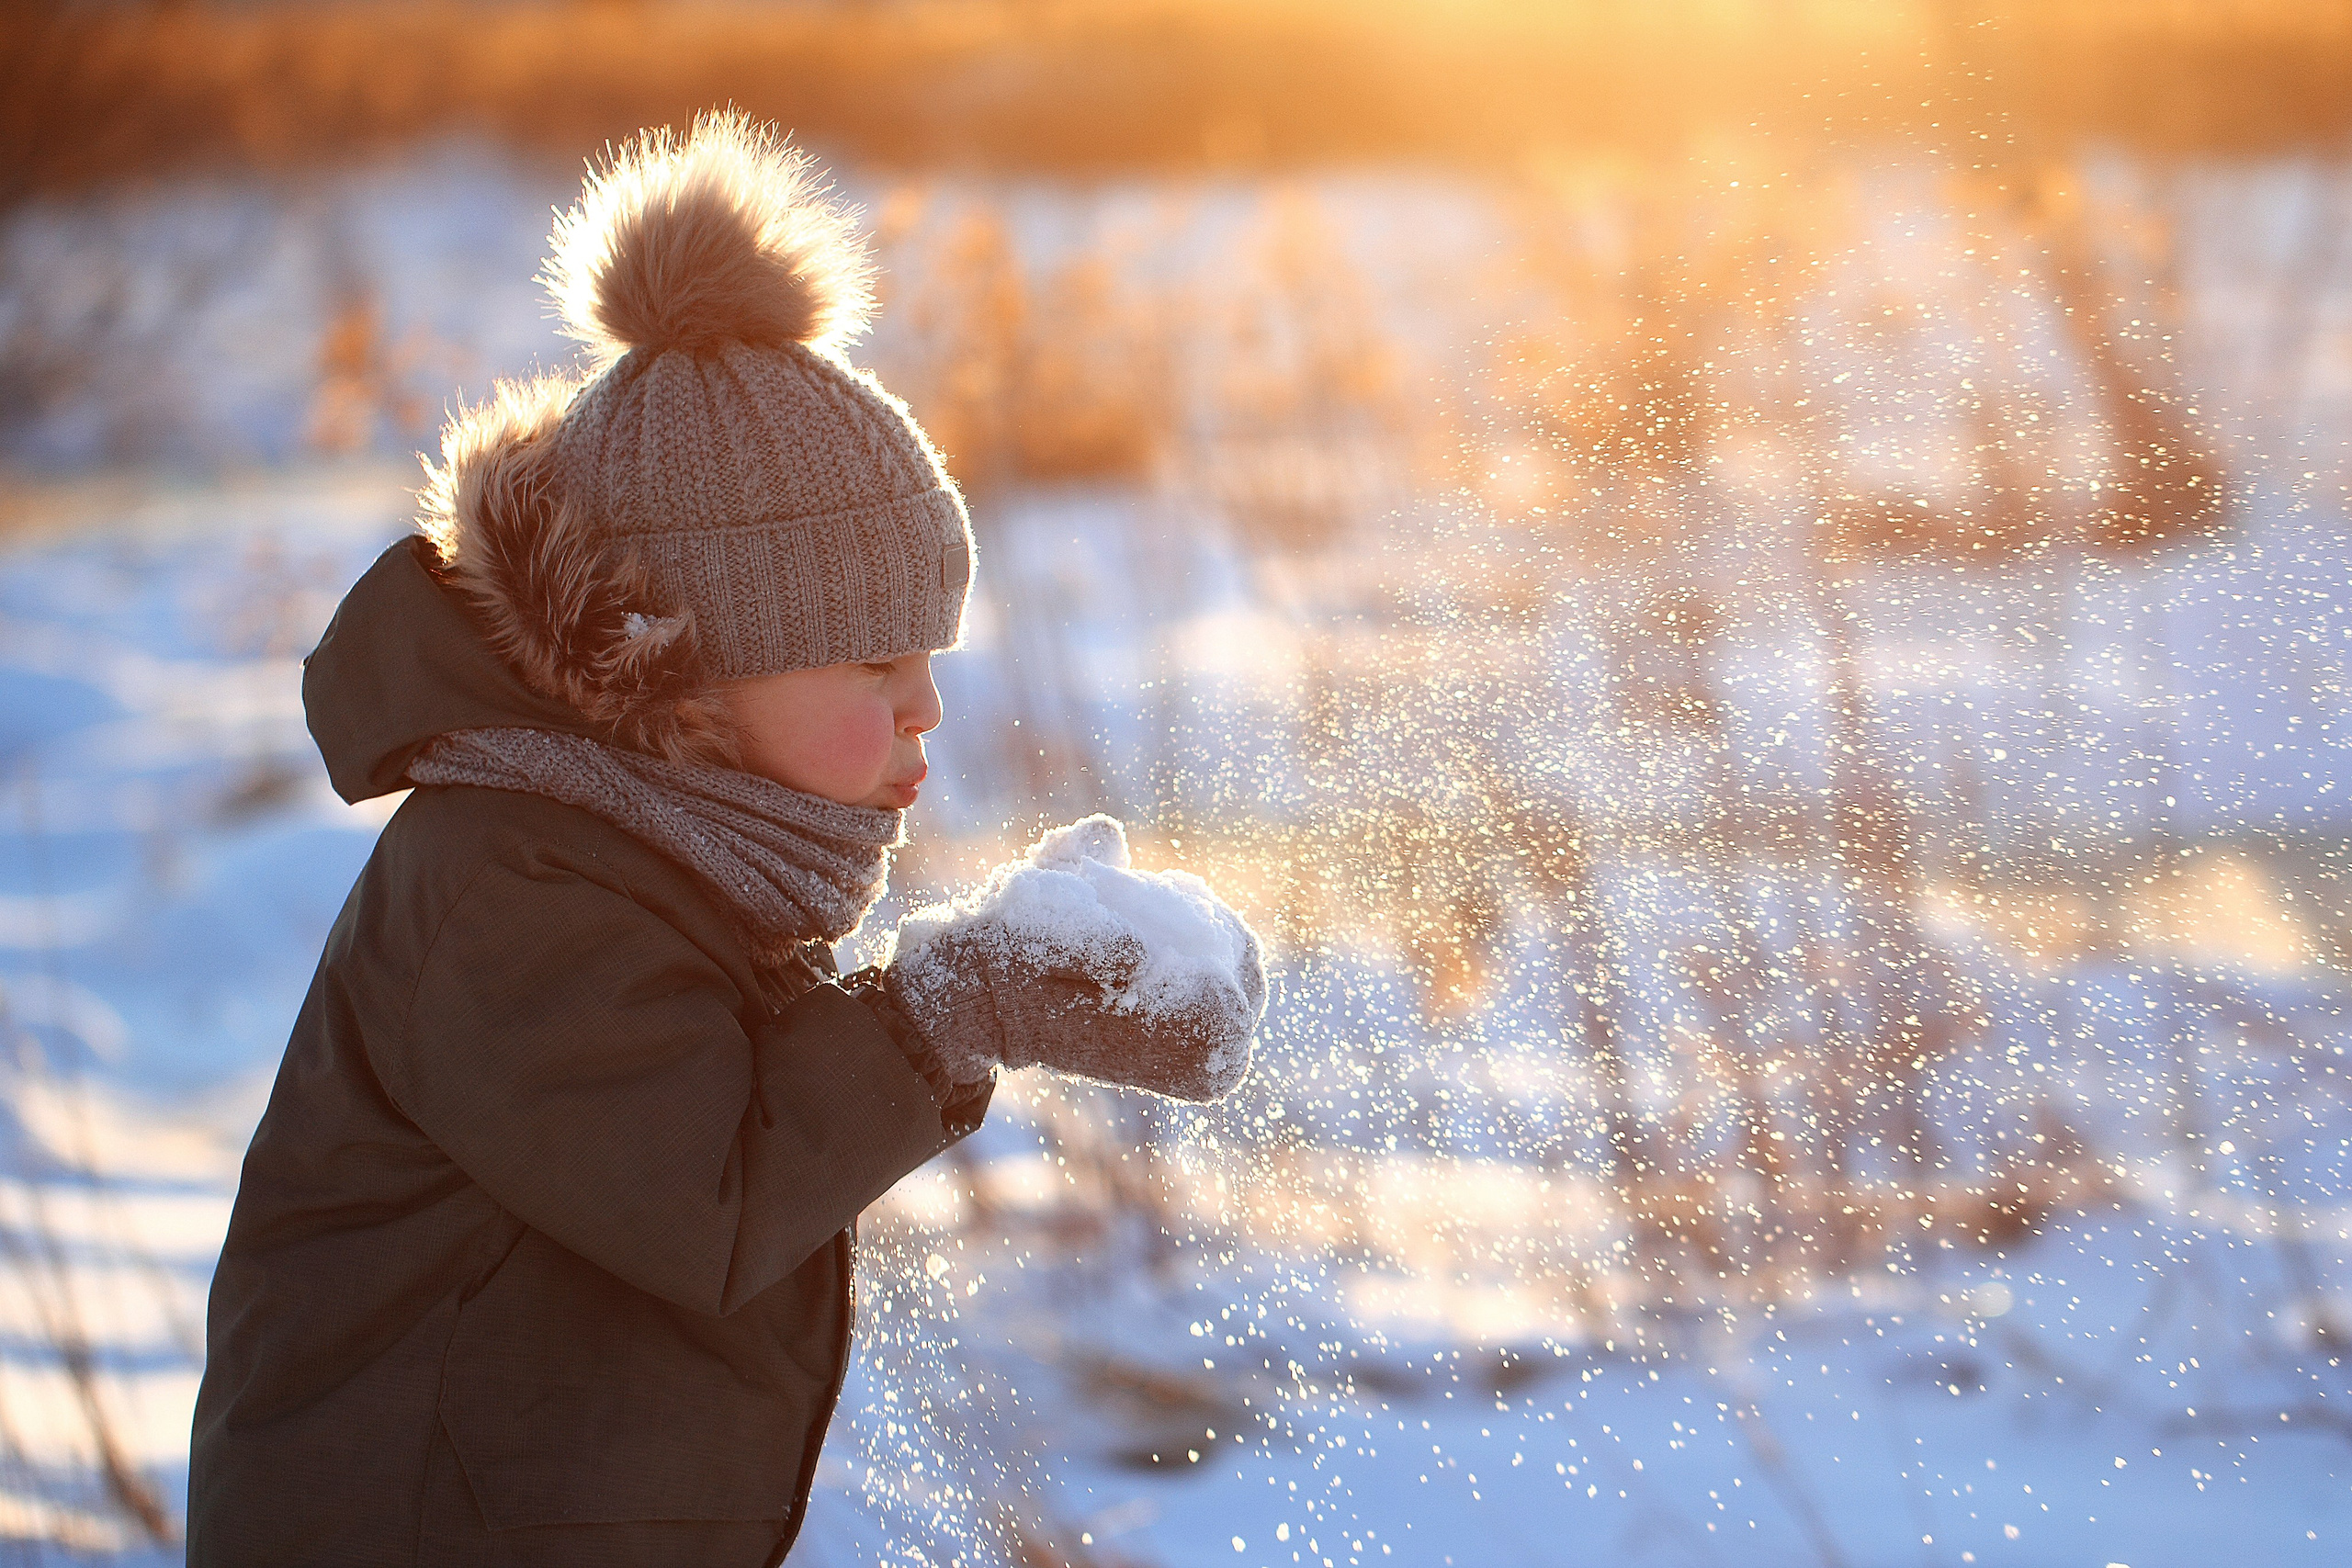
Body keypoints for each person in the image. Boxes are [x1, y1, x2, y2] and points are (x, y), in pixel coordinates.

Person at [187, 111, 1263, 1567]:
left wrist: (998, 992)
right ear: (683, 670)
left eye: (927, 658)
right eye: (874, 668)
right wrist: (951, 1006)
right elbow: (704, 1197)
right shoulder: (512, 881)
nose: (926, 708)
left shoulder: (652, 846)